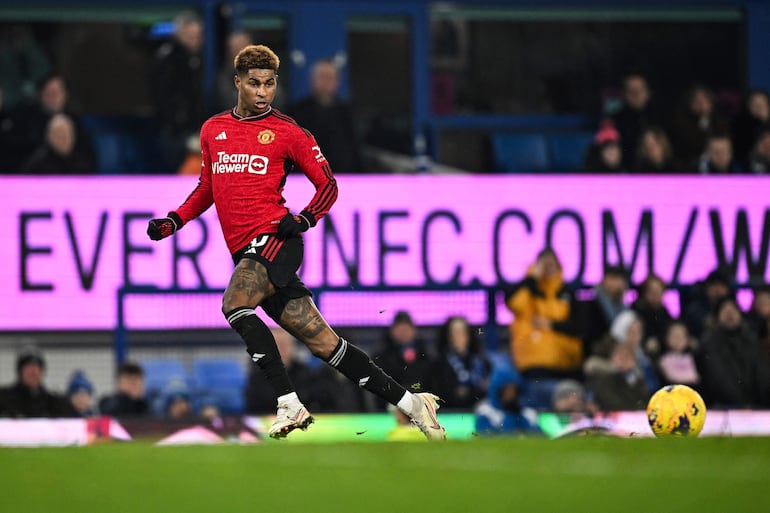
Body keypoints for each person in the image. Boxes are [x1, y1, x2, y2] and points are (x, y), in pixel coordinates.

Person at [146, 44, 445, 440]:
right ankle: (414, 404)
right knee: (327, 345)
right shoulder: (212, 130)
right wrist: (175, 219)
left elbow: (328, 186)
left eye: (269, 84)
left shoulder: (288, 132)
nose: (262, 92)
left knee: (234, 303)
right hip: (248, 252)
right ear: (237, 83)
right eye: (254, 83)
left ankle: (288, 401)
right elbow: (208, 186)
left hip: (275, 240)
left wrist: (304, 219)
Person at [506, 247, 583, 407]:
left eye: (551, 265)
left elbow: (580, 327)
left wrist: (551, 325)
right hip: (535, 369)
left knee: (572, 396)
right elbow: (513, 302)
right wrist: (532, 278)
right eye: (544, 266)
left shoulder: (567, 294)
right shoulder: (527, 292)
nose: (548, 270)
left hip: (566, 366)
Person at [152, 11, 207, 172]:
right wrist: (175, 123)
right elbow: (163, 94)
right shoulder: (170, 58)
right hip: (176, 130)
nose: (196, 41)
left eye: (198, 37)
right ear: (180, 34)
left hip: (189, 127)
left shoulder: (194, 59)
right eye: (191, 36)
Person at [287, 59, 363, 174]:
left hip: (343, 178)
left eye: (330, 77)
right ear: (312, 80)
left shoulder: (348, 114)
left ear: (337, 81)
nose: (326, 82)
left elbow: (354, 151)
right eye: (322, 77)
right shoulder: (295, 113)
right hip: (303, 178)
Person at [697, 297, 770, 408]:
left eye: (733, 310)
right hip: (722, 406)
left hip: (755, 406)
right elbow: (717, 376)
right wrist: (741, 404)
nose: (730, 314)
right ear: (717, 316)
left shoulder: (752, 340)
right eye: (725, 311)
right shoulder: (710, 342)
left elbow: (761, 373)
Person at [372, 310, 436, 406]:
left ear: (414, 330)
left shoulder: (426, 356)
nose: (403, 332)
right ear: (392, 331)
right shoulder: (381, 358)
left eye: (406, 329)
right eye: (400, 329)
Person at [431, 315, 491, 410]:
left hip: (477, 413)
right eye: (455, 332)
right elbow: (440, 393)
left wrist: (466, 392)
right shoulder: (439, 364)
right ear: (449, 336)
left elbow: (488, 389)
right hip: (449, 414)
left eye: (462, 331)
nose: (459, 335)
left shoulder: (482, 362)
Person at [0, 348, 75, 418]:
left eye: (36, 367)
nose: (33, 372)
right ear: (20, 371)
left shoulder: (55, 403)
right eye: (28, 367)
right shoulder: (4, 400)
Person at [669, 83, 729, 170]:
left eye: (704, 99)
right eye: (697, 101)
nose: (701, 104)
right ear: (690, 104)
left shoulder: (720, 121)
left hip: (718, 166)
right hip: (691, 166)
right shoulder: (681, 123)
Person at [610, 73, 661, 169]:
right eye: (631, 91)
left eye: (640, 90)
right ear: (624, 95)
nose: (636, 95)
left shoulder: (661, 119)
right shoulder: (614, 122)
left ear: (648, 93)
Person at [576, 265, 629, 356]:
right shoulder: (590, 302)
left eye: (620, 279)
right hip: (597, 354)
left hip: (618, 354)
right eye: (614, 278)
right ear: (605, 280)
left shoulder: (622, 305)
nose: (618, 283)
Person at [474, 366, 541, 436]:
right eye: (507, 391)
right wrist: (510, 418)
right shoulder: (486, 413)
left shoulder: (527, 414)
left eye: (514, 390)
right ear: (497, 392)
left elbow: (542, 438)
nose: (511, 395)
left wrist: (520, 419)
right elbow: (485, 438)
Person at [585, 342, 650, 412]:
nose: (623, 360)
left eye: (627, 356)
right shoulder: (603, 380)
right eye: (620, 356)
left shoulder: (639, 380)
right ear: (611, 359)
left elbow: (643, 402)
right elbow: (613, 403)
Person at [22, 113, 94, 174]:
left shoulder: (83, 161)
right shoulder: (36, 164)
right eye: (60, 135)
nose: (65, 139)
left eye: (68, 135)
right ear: (49, 137)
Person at [631, 273, 674, 357]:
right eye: (652, 291)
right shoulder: (637, 312)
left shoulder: (665, 312)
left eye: (659, 291)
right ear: (644, 293)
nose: (656, 295)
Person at [730, 89, 770, 168]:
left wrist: (765, 120)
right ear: (748, 107)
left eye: (762, 104)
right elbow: (739, 153)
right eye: (755, 104)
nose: (759, 107)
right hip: (750, 167)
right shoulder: (739, 127)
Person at [656, 321, 700, 389]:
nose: (678, 339)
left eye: (681, 335)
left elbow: (697, 378)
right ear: (667, 338)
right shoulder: (664, 359)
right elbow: (672, 377)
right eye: (674, 336)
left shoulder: (696, 357)